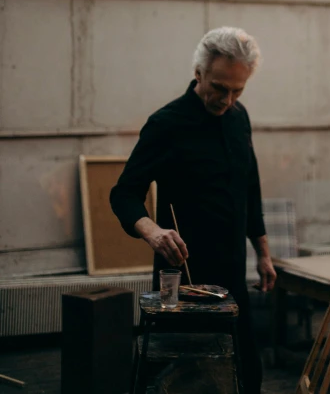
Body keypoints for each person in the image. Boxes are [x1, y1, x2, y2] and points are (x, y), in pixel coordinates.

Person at [110, 26, 276, 394]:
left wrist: (263, 252)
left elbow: (250, 188)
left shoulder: (239, 118)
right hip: (181, 276)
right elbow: (123, 194)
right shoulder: (166, 124)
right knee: (182, 378)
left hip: (232, 274)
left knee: (245, 374)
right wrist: (152, 231)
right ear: (198, 73)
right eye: (219, 88)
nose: (228, 99)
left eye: (238, 90)